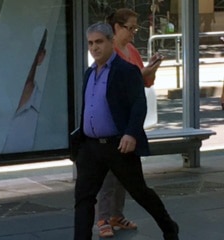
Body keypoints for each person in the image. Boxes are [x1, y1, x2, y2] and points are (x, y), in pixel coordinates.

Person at [73, 22, 179, 240]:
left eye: (99, 42)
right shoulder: (89, 73)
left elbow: (139, 104)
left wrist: (131, 133)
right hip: (91, 148)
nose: (94, 48)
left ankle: (169, 227)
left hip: (118, 145)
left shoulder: (126, 71)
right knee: (84, 198)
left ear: (111, 42)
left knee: (140, 192)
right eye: (90, 43)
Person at [96, 8, 163, 237]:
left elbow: (143, 82)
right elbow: (116, 84)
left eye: (136, 28)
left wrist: (150, 70)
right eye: (131, 28)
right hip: (111, 122)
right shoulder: (109, 50)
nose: (134, 32)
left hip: (129, 123)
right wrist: (142, 73)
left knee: (124, 174)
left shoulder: (132, 50)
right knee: (108, 174)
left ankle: (116, 214)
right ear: (117, 27)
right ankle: (103, 218)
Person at [2, 29, 47, 153]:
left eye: (25, 52)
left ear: (40, 57)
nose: (19, 60)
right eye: (12, 52)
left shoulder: (46, 111)